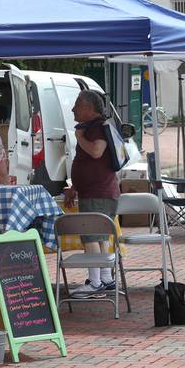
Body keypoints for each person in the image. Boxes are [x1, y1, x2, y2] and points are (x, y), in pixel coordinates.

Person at [63, 90, 119, 297]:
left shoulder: (96, 128)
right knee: (100, 236)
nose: (72, 109)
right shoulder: (95, 127)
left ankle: (95, 282)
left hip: (98, 193)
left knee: (91, 236)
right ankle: (105, 277)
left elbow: (96, 152)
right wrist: (75, 187)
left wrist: (79, 137)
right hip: (97, 191)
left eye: (77, 104)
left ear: (88, 107)